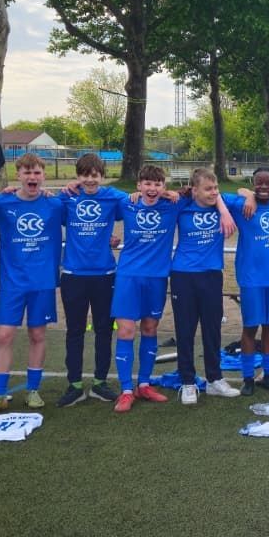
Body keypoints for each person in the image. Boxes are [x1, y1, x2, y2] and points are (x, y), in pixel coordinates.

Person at [0, 153, 66, 415]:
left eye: (37, 172)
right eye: (27, 173)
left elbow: (86, 220)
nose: (32, 177)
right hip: (12, 282)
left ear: (44, 176)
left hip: (42, 282)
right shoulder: (2, 203)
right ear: (18, 175)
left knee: (37, 335)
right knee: (4, 335)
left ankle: (33, 390)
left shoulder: (55, 204)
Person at [55, 153, 127, 407]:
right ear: (78, 176)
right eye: (84, 175)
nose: (90, 180)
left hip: (104, 274)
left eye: (95, 175)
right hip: (73, 275)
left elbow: (137, 200)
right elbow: (45, 202)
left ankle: (99, 383)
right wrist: (65, 190)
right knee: (74, 331)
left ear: (102, 176)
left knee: (104, 330)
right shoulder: (67, 197)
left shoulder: (112, 197)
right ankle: (74, 385)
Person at [169, 167, 242, 403]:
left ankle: (214, 379)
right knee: (185, 330)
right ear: (194, 190)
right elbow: (158, 197)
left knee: (212, 329)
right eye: (208, 189)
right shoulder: (182, 204)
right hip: (183, 275)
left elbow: (246, 194)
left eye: (216, 188)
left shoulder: (222, 201)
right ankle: (188, 382)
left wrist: (223, 209)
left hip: (211, 275)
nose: (214, 192)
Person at [112, 165, 180, 413]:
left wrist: (175, 194)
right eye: (147, 184)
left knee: (150, 328)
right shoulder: (126, 203)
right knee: (126, 330)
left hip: (157, 277)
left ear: (164, 186)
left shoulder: (173, 205)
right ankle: (126, 390)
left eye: (157, 184)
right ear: (138, 185)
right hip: (128, 276)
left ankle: (144, 384)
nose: (152, 188)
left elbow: (203, 193)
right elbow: (97, 199)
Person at [232, 168, 269, 395]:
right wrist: (247, 195)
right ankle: (247, 378)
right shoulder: (242, 205)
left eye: (268, 183)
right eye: (259, 183)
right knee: (250, 327)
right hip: (251, 279)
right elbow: (232, 192)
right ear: (253, 184)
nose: (263, 187)